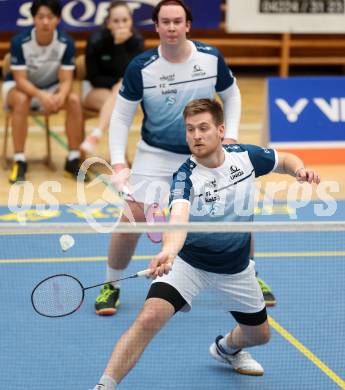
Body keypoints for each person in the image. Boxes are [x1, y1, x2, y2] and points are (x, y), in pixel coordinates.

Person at [91, 98, 320, 389]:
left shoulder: (245, 157)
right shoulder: (185, 177)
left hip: (236, 268)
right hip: (190, 264)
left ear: (221, 130)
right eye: (190, 130)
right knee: (148, 317)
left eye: (203, 128)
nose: (196, 136)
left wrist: (299, 171)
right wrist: (169, 251)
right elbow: (179, 219)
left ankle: (225, 349)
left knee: (260, 335)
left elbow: (284, 159)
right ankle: (104, 386)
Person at [94, 0, 275, 316]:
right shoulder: (142, 66)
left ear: (188, 25)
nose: (172, 27)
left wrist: (229, 136)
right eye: (165, 22)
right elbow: (122, 117)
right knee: (133, 216)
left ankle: (250, 276)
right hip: (156, 155)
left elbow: (232, 94)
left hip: (207, 155)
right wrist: (119, 162)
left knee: (236, 210)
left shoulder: (209, 57)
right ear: (156, 26)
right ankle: (112, 283)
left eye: (178, 21)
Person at [2, 0, 84, 183]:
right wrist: (41, 95)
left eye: (50, 17)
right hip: (18, 88)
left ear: (58, 19)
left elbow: (66, 79)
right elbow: (20, 80)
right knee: (22, 99)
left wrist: (59, 97)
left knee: (73, 100)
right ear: (34, 20)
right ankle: (20, 161)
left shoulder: (66, 42)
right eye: (41, 17)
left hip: (51, 87)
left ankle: (72, 159)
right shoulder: (19, 41)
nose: (45, 22)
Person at [80, 1, 144, 154]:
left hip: (121, 93)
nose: (121, 25)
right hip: (95, 90)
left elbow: (133, 76)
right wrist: (118, 83)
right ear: (108, 23)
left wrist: (121, 46)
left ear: (131, 21)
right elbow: (94, 77)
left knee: (120, 92)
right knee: (120, 96)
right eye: (116, 21)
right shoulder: (96, 40)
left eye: (125, 20)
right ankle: (120, 160)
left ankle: (97, 133)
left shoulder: (136, 41)